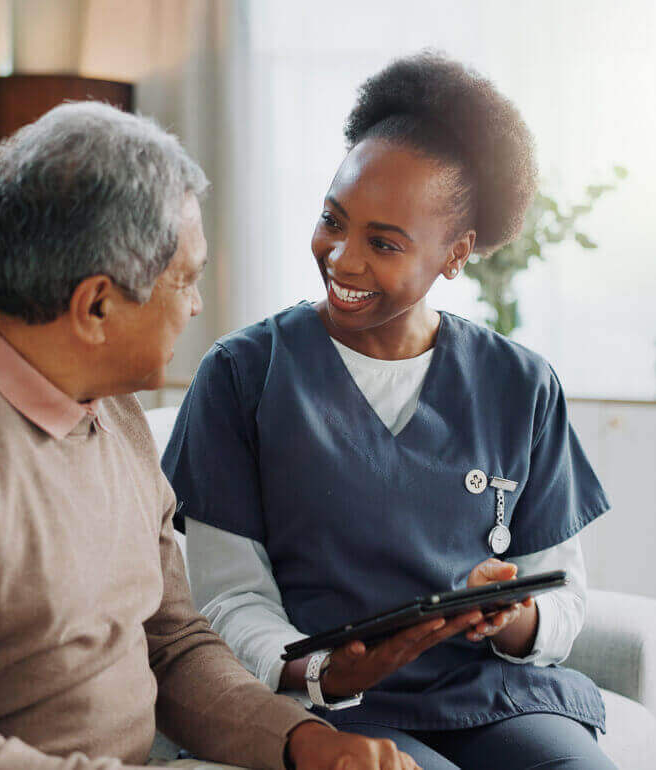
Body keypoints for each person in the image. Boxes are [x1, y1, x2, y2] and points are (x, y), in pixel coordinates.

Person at [0, 102, 420, 770]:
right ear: (97, 306)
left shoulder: (107, 405)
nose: (194, 307)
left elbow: (173, 643)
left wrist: (303, 743)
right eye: (185, 280)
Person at [162, 52, 617, 770]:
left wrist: (513, 617)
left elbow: (562, 593)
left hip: (489, 696)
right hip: (329, 705)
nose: (341, 259)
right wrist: (318, 672)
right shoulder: (242, 377)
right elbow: (224, 601)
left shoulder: (521, 384)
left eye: (383, 243)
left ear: (456, 254)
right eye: (331, 221)